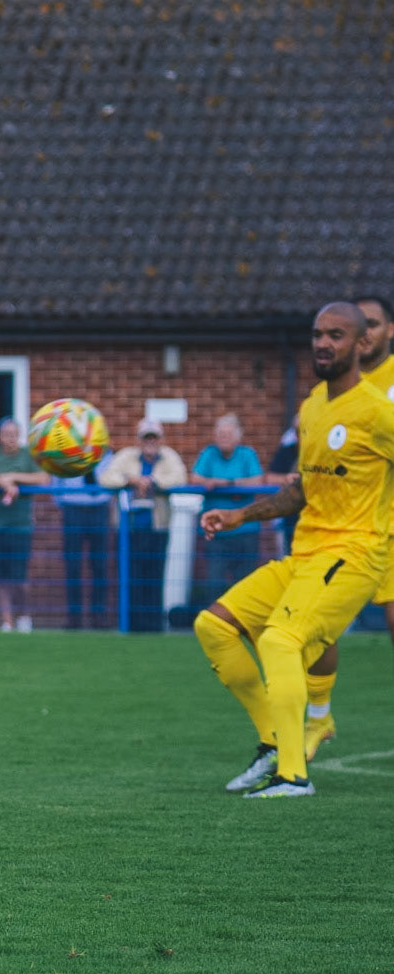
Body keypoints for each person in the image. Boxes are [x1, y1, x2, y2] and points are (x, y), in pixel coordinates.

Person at [194, 301, 394, 799]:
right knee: (214, 627)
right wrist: (239, 515)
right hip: (306, 554)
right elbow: (302, 490)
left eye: (336, 335)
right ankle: (273, 742)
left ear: (360, 344)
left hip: (354, 555)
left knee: (279, 641)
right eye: (318, 334)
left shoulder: (377, 412)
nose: (323, 343)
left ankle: (292, 775)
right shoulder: (312, 408)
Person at [296, 294, 394, 755]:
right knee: (321, 624)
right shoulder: (327, 392)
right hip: (338, 531)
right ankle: (319, 717)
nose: (367, 333)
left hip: (383, 526)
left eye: (373, 324)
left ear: (388, 331)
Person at [97, 418, 186, 632]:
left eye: (154, 437)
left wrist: (154, 482)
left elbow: (180, 478)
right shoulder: (126, 456)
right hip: (129, 530)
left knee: (155, 577)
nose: (150, 441)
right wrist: (131, 480)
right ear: (139, 439)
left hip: (158, 528)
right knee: (131, 577)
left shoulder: (169, 457)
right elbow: (106, 478)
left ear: (160, 439)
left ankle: (153, 625)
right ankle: (131, 625)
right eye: (146, 437)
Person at [0, 417, 49, 632]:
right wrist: (0, 481)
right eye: (6, 434)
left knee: (19, 577)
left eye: (14, 434)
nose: (11, 438)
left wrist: (14, 477)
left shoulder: (27, 455)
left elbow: (43, 478)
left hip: (20, 525)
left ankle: (23, 617)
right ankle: (7, 621)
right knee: (1, 577)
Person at [192, 414, 266, 607]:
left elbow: (257, 481)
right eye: (220, 434)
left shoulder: (247, 454)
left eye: (228, 434)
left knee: (245, 582)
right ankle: (213, 618)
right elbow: (195, 478)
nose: (223, 438)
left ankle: (243, 618)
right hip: (215, 531)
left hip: (245, 530)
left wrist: (227, 483)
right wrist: (210, 482)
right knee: (214, 582)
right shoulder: (208, 453)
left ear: (238, 437)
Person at [50, 466, 112, 630]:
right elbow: (57, 477)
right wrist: (62, 501)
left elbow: (112, 476)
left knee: (99, 565)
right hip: (73, 507)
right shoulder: (67, 454)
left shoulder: (104, 455)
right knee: (72, 565)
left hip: (99, 507)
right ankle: (74, 616)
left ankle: (98, 615)